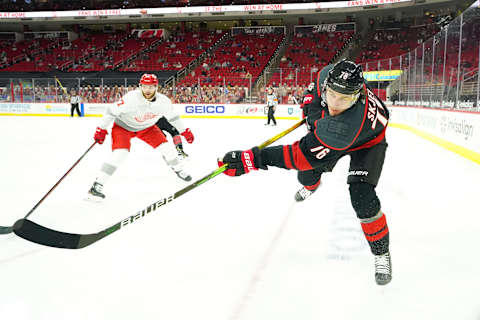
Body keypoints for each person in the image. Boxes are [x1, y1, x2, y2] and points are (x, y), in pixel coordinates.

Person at [217, 60, 392, 285]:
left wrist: (249, 159)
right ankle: (311, 186)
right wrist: (310, 105)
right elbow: (314, 92)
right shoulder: (329, 74)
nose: (336, 104)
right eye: (332, 95)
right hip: (343, 132)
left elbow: (296, 157)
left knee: (362, 198)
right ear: (328, 85)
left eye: (345, 99)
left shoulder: (340, 130)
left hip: (368, 143)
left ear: (356, 96)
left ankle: (381, 253)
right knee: (306, 176)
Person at [87, 74, 193, 201]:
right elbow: (111, 111)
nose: (148, 90)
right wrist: (101, 129)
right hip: (123, 127)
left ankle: (178, 169)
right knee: (120, 154)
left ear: (156, 87)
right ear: (140, 86)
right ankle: (98, 185)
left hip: (147, 128)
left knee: (167, 148)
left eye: (151, 87)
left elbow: (173, 117)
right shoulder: (131, 98)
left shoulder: (164, 101)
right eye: (145, 86)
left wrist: (184, 131)